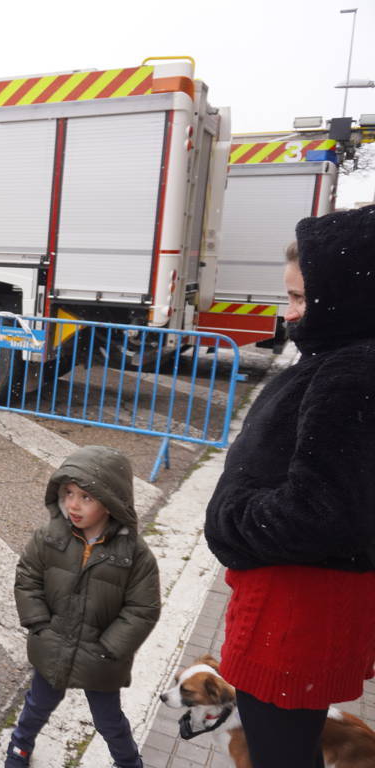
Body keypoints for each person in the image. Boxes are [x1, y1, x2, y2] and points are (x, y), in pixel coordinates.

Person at [204, 205, 375, 767]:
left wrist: (230, 519)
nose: (290, 313)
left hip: (294, 613)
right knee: (287, 745)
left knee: (278, 750)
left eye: (301, 298)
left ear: (347, 296)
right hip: (301, 602)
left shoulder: (349, 372)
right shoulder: (346, 359)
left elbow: (321, 510)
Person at [6, 446, 160, 768]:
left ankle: (129, 762)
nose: (73, 505)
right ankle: (19, 747)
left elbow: (142, 608)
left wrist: (109, 648)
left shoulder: (134, 554)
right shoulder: (50, 536)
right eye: (69, 493)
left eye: (86, 497)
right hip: (52, 645)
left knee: (109, 720)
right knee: (36, 705)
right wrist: (39, 625)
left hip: (100, 658)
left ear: (111, 501)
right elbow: (28, 576)